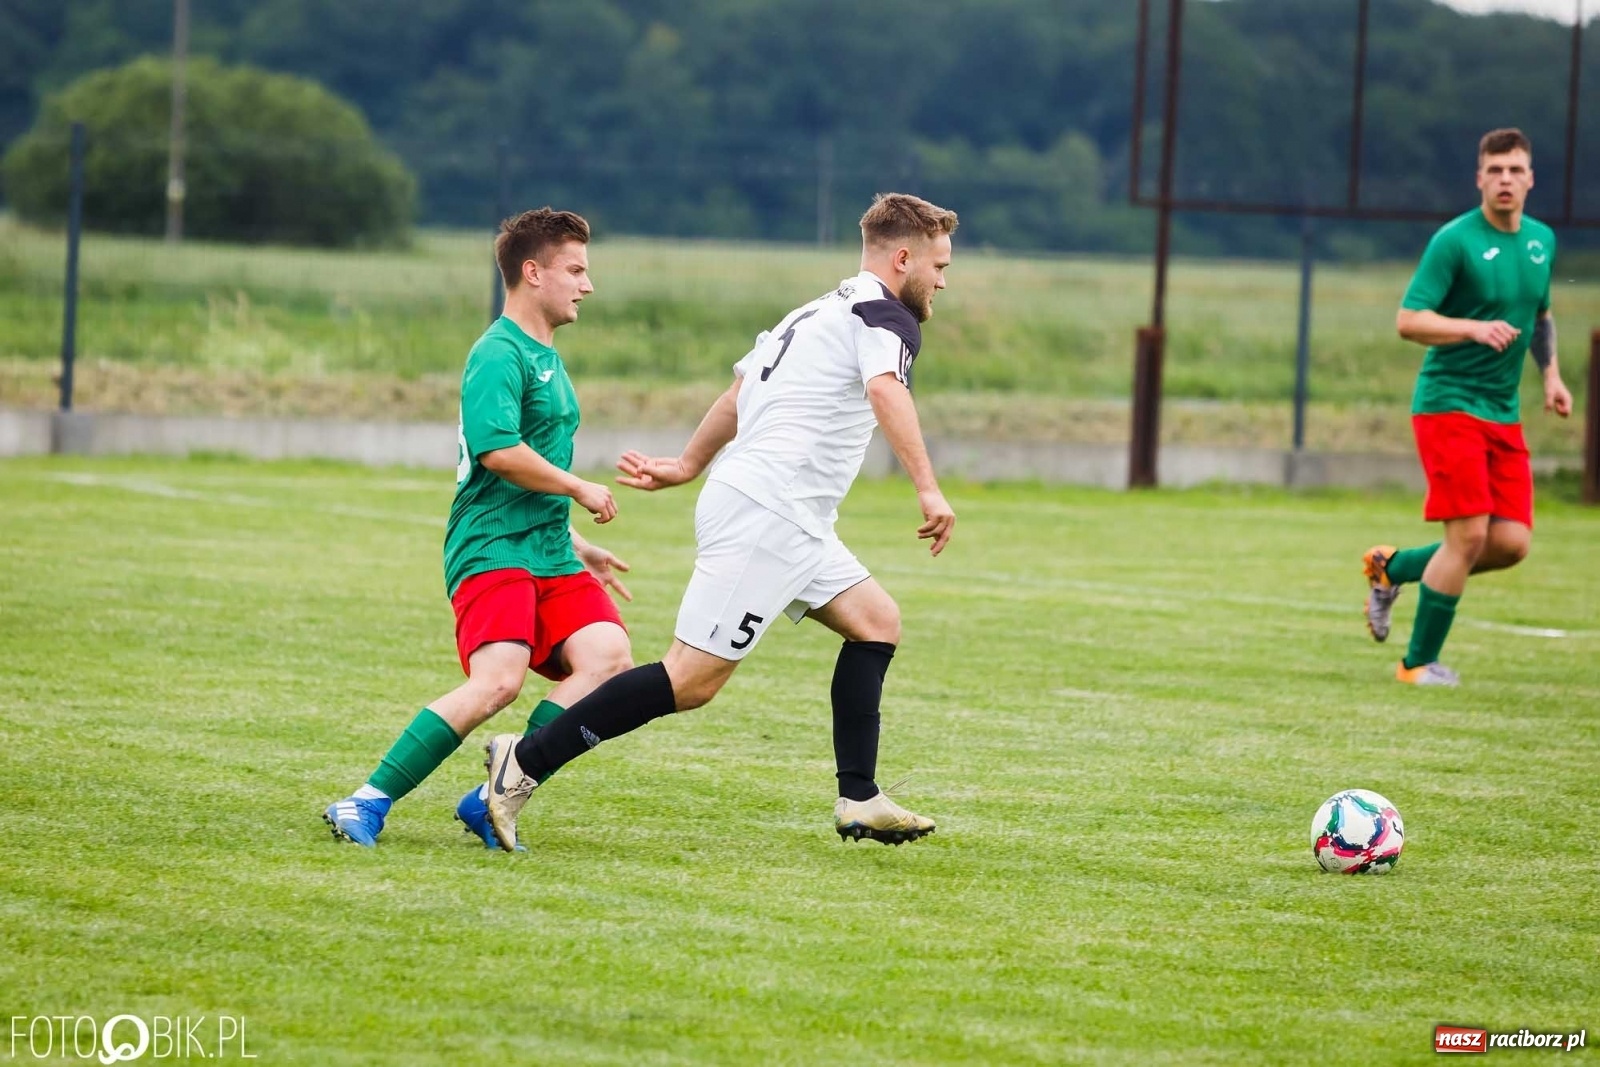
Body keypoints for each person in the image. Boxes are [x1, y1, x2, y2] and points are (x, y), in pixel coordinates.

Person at [479, 192, 960, 851]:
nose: (942, 280)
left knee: (876, 621)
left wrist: (686, 462)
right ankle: (524, 762)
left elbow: (740, 391)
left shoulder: (821, 308)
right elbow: (885, 389)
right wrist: (928, 490)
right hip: (769, 513)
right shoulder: (887, 316)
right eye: (939, 264)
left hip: (788, 516)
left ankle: (860, 795)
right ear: (903, 257)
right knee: (689, 679)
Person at [323, 207, 635, 847]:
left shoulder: (545, 355)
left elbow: (528, 466)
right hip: (492, 549)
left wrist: (575, 540)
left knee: (609, 659)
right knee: (498, 683)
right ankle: (364, 801)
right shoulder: (497, 353)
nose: (587, 284)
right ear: (532, 272)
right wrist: (578, 488)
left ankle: (504, 783)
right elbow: (497, 452)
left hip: (549, 548)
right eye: (574, 270)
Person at [1363, 128, 1573, 687]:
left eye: (1516, 170)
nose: (1505, 179)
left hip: (1503, 412)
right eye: (1495, 170)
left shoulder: (1541, 242)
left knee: (1511, 543)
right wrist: (1472, 329)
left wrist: (1551, 375)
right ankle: (1416, 666)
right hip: (1448, 405)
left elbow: (1541, 314)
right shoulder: (1454, 241)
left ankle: (1395, 566)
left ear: (1531, 179)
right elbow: (1409, 320)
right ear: (1479, 178)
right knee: (1470, 536)